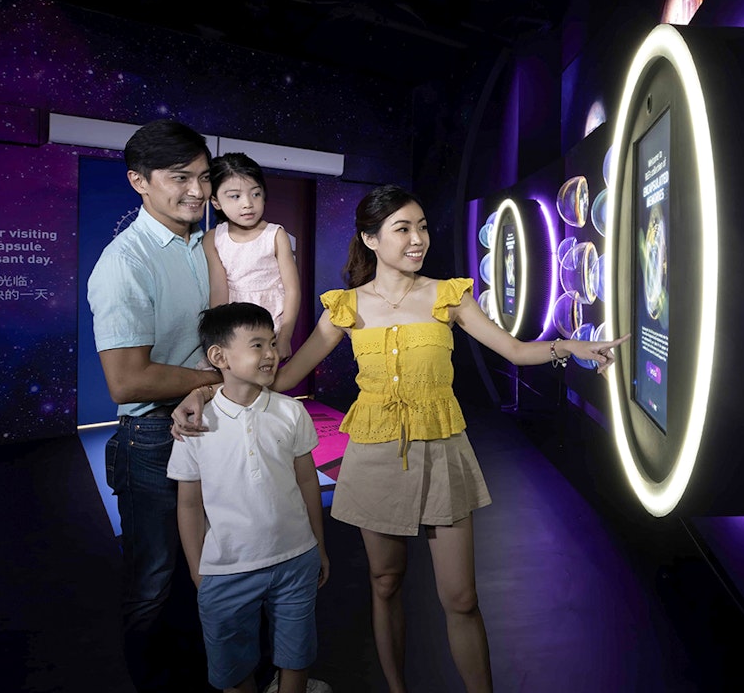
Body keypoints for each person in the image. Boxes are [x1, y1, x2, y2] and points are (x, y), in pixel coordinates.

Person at [173, 184, 627, 693]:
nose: (418, 240)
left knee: (461, 598)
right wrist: (204, 394)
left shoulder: (447, 295)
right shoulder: (344, 307)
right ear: (370, 238)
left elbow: (516, 351)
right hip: (374, 453)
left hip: (442, 449)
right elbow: (276, 377)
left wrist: (574, 346)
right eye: (403, 229)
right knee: (385, 584)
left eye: (423, 227)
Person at [87, 118, 224, 692]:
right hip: (152, 442)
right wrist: (217, 376)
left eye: (203, 176)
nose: (197, 190)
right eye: (180, 178)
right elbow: (127, 381)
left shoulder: (206, 242)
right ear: (139, 182)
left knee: (211, 571)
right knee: (153, 584)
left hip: (215, 427)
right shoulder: (127, 261)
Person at [168, 302, 330, 693]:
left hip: (296, 559)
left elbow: (308, 482)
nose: (271, 354)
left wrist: (318, 547)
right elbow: (189, 503)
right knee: (232, 669)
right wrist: (196, 569)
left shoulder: (291, 412)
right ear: (219, 356)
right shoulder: (196, 424)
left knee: (296, 657)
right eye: (257, 345)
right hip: (226, 570)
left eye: (272, 343)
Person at [204, 153, 301, 359]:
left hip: (271, 323)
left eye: (255, 194)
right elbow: (219, 290)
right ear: (216, 202)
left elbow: (292, 289)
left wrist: (285, 336)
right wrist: (219, 337)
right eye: (235, 196)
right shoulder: (213, 238)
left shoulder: (275, 234)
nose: (248, 203)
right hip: (234, 325)